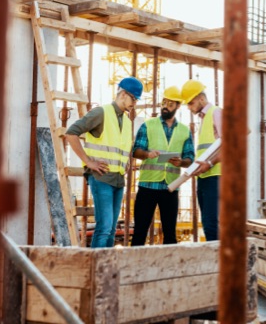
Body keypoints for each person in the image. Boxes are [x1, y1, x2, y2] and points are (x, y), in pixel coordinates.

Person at [65, 76, 143, 248]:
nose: (134, 103)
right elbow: (71, 134)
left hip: (118, 179)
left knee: (112, 229)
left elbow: (120, 147)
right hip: (101, 178)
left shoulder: (127, 121)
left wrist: (126, 162)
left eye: (136, 100)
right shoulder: (101, 112)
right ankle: (94, 271)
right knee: (104, 227)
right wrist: (88, 162)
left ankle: (104, 270)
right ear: (123, 94)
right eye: (133, 98)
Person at [131, 86, 195, 246]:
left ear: (178, 106)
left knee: (170, 233)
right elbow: (136, 151)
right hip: (148, 186)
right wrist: (147, 154)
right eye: (164, 102)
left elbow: (190, 158)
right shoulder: (148, 125)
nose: (165, 106)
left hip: (170, 187)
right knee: (140, 230)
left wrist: (182, 162)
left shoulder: (185, 131)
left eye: (170, 104)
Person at [181, 79, 222, 241]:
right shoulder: (204, 119)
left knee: (211, 222)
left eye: (191, 103)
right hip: (204, 176)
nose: (189, 108)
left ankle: (219, 262)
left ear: (201, 99)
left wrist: (210, 163)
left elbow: (231, 144)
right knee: (207, 222)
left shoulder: (216, 113)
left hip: (216, 175)